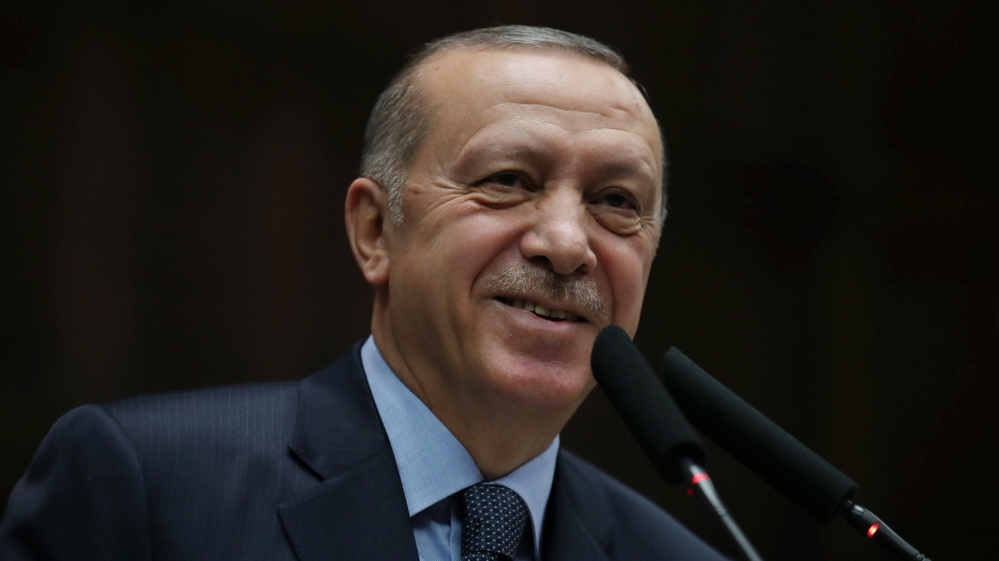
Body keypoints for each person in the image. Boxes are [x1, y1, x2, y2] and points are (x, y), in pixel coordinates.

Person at [0, 26, 727, 561]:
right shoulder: (149, 485)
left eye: (615, 200)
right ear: (375, 231)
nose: (567, 244)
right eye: (507, 180)